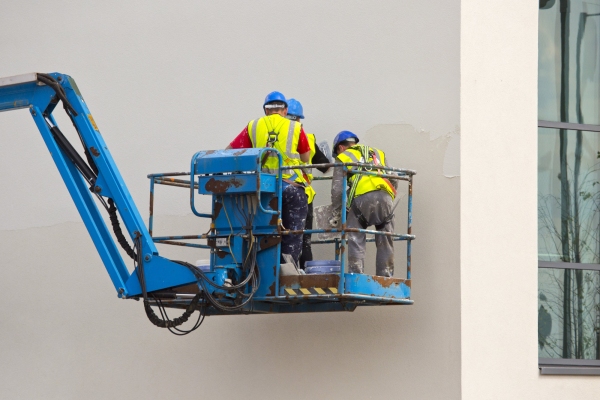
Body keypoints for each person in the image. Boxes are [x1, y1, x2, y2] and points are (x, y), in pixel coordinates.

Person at [227, 92, 312, 264]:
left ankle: (261, 269)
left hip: (263, 189)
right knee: (293, 234)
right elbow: (305, 156)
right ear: (285, 109)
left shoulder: (254, 125)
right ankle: (288, 271)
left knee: (261, 232)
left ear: (265, 110)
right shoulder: (294, 127)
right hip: (290, 187)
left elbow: (230, 150)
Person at [329, 131, 397, 277]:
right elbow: (395, 178)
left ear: (340, 147)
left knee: (356, 237)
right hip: (386, 198)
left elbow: (337, 190)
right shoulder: (377, 153)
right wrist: (389, 200)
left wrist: (336, 214)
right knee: (386, 240)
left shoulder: (343, 157)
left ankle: (356, 277)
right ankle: (386, 278)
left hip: (362, 200)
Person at [285, 99, 331, 269]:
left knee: (277, 237)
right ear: (299, 119)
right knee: (304, 240)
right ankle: (302, 275)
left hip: (275, 192)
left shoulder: (273, 136)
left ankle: (280, 274)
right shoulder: (308, 138)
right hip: (303, 195)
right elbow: (325, 167)